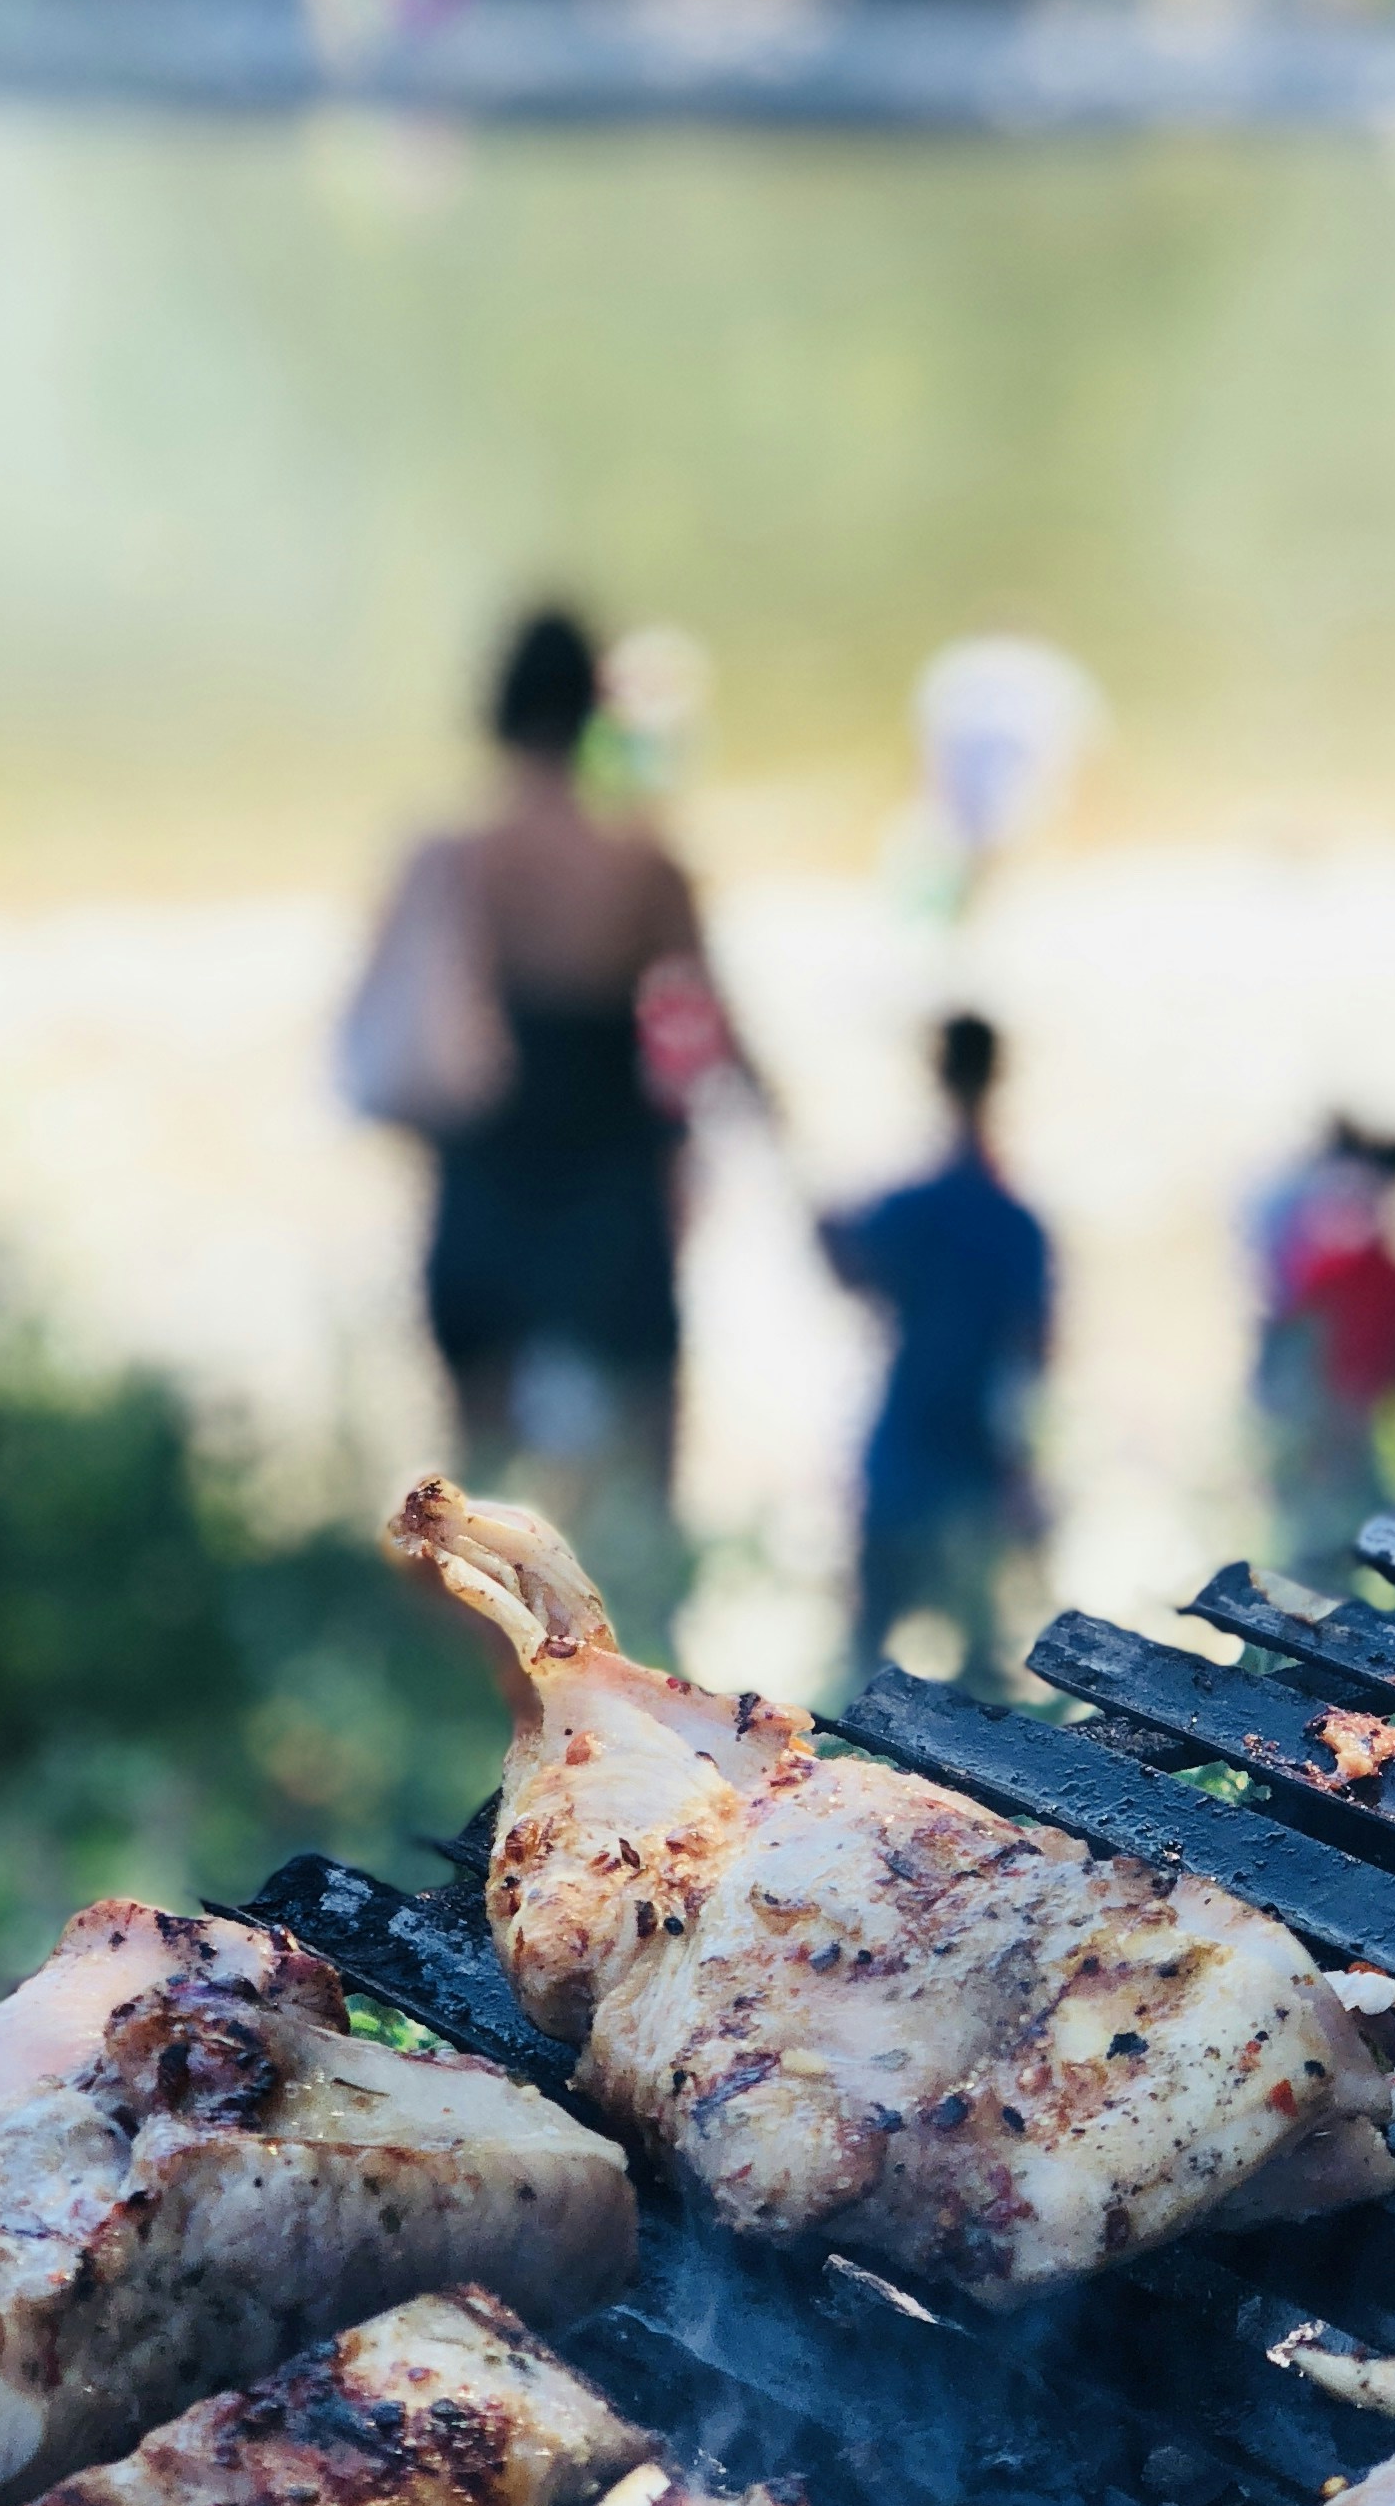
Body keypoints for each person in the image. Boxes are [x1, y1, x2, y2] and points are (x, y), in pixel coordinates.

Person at [343, 607, 739, 1645]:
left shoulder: (449, 855)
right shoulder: (647, 862)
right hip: (614, 1185)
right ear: (595, 714)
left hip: (485, 1177)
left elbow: (381, 1027)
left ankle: (469, 1693)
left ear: (496, 709)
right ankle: (652, 1669)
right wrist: (798, 1165)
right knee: (649, 1477)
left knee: (467, 1480)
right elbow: (720, 1034)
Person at [819, 1013, 1053, 1694]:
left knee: (866, 1660)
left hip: (907, 1450)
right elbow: (1034, 1355)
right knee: (984, 1672)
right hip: (976, 1460)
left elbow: (846, 1269)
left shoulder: (909, 1207)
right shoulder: (1015, 1222)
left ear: (936, 1071)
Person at [1248, 1117, 1395, 1591]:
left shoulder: (1374, 1271)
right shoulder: (1343, 1265)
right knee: (1328, 1506)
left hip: (1347, 1395)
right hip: (1329, 1394)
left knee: (1348, 1500)